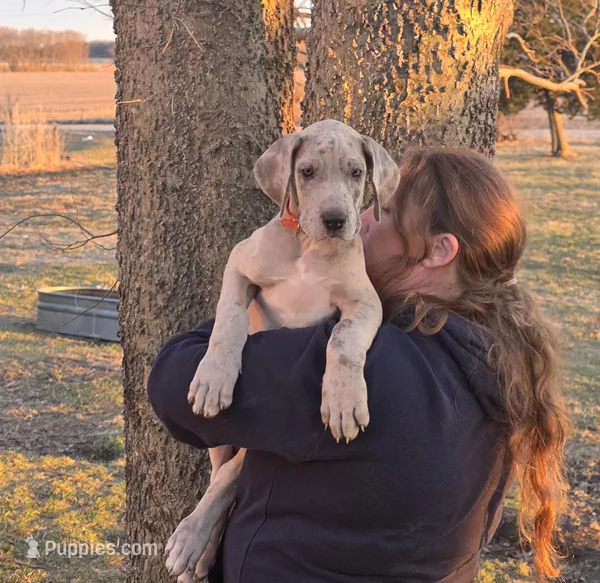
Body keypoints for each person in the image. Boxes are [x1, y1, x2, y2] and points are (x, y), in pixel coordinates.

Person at [147, 148, 570, 583]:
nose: (361, 218)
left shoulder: (357, 370)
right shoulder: (502, 365)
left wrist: (269, 291)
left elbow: (173, 384)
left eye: (382, 212)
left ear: (439, 251)